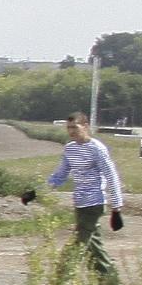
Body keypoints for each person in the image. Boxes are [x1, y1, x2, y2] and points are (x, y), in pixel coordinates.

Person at [47, 114, 126, 272]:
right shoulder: (70, 149)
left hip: (94, 203)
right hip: (80, 204)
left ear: (85, 126)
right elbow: (59, 175)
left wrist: (116, 208)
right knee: (94, 249)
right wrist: (37, 192)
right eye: (68, 128)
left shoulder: (97, 148)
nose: (71, 131)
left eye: (75, 127)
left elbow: (111, 176)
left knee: (77, 245)